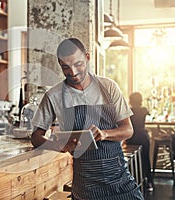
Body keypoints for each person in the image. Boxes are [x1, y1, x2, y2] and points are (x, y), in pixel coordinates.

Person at [31, 38, 144, 200]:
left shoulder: (108, 87)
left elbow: (128, 130)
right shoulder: (53, 96)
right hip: (85, 186)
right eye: (65, 67)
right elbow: (35, 137)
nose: (73, 72)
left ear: (87, 58)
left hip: (119, 181)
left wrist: (105, 134)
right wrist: (58, 144)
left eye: (78, 64)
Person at [126, 92, 153, 191]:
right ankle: (149, 182)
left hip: (132, 137)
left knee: (132, 159)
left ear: (130, 100)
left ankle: (132, 181)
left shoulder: (128, 111)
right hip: (143, 137)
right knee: (146, 159)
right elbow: (150, 115)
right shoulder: (144, 110)